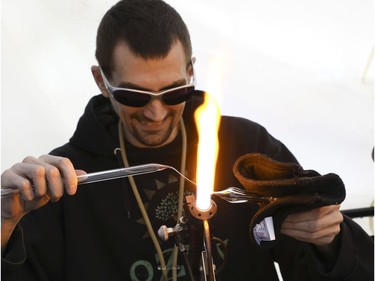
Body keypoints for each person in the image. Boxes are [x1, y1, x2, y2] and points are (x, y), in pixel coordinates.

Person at [1, 0, 373, 280]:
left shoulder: (245, 146)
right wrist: (3, 224)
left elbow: (324, 263)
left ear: (191, 70)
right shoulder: (63, 183)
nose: (156, 113)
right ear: (101, 81)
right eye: (133, 96)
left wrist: (327, 241)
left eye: (174, 91)